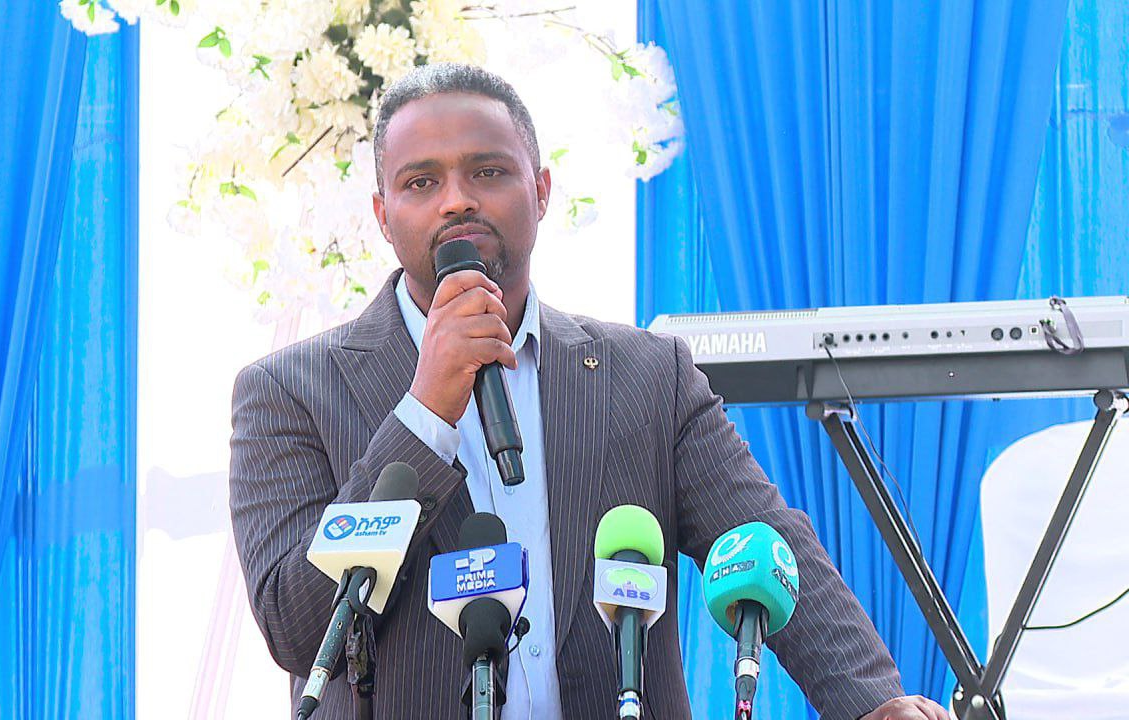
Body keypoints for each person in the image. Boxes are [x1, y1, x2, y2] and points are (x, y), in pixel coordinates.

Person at [230, 63, 951, 720]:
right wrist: (425, 413)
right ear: (383, 215)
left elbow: (762, 541)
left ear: (541, 191)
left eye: (488, 171)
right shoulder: (288, 393)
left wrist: (872, 703)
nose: (457, 201)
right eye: (421, 183)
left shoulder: (650, 376)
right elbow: (297, 628)